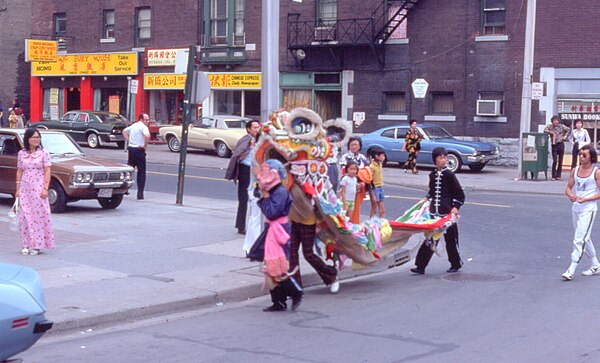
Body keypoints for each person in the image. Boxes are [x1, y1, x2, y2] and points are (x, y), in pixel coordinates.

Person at [252, 160, 303, 312]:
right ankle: (278, 301)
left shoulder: (280, 192)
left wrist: (265, 197)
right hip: (273, 230)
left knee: (277, 267)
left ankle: (295, 292)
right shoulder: (276, 192)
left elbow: (272, 212)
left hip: (278, 231)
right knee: (271, 267)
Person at [411, 147, 465, 275]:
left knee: (451, 240)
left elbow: (460, 194)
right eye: (441, 157)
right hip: (434, 213)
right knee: (430, 240)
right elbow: (432, 190)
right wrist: (427, 197)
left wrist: (455, 207)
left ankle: (456, 263)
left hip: (447, 214)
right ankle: (420, 266)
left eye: (445, 157)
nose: (444, 160)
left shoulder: (450, 175)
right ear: (435, 160)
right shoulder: (433, 175)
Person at [289, 180, 339, 294]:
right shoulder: (289, 175)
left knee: (308, 254)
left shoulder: (309, 175)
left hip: (308, 221)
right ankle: (296, 287)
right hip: (293, 219)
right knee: (291, 254)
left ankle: (331, 275)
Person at [561, 145, 600, 281]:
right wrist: (570, 195)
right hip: (576, 208)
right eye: (580, 154)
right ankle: (595, 264)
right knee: (584, 236)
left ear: (591, 157)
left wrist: (586, 199)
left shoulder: (596, 172)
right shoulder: (575, 170)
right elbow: (568, 187)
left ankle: (571, 268)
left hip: (588, 209)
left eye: (584, 155)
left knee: (579, 238)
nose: (581, 157)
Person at [15, 128, 55, 255]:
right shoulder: (22, 153)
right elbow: (19, 171)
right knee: (24, 217)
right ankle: (26, 244)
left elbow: (47, 171)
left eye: (38, 137)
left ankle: (37, 244)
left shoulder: (44, 153)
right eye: (34, 137)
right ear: (27, 139)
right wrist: (17, 189)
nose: (36, 139)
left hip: (38, 189)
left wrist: (45, 188)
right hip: (25, 190)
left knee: (38, 216)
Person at [225, 120, 261, 235]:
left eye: (258, 127)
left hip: (255, 171)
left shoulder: (260, 140)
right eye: (255, 127)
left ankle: (255, 225)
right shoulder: (245, 140)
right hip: (245, 170)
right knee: (243, 199)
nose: (257, 129)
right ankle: (241, 226)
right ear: (248, 129)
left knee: (256, 199)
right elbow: (237, 155)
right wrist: (250, 148)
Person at [339, 136, 375, 223]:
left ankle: (354, 227)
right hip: (348, 187)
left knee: (356, 209)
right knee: (345, 211)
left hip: (359, 188)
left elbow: (367, 171)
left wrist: (362, 182)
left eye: (356, 145)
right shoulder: (345, 157)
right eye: (352, 145)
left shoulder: (362, 158)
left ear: (360, 146)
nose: (354, 147)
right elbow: (344, 172)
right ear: (349, 146)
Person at [122, 113, 150, 200]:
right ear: (141, 119)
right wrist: (145, 146)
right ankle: (140, 193)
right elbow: (147, 136)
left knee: (130, 170)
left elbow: (124, 131)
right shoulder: (143, 127)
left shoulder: (134, 125)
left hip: (131, 150)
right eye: (146, 120)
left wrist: (129, 140)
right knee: (141, 172)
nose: (148, 121)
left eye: (148, 120)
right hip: (139, 150)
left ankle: (125, 189)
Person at [544, 115, 571, 181]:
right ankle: (553, 175)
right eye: (554, 120)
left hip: (561, 144)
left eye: (557, 120)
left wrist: (565, 136)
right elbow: (545, 130)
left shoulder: (561, 126)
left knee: (560, 161)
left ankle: (558, 176)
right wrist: (551, 132)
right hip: (554, 145)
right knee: (555, 160)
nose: (556, 122)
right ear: (552, 121)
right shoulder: (550, 126)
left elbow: (569, 130)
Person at [369, 147, 386, 218]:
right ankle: (370, 224)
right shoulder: (371, 166)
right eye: (382, 155)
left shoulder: (380, 164)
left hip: (381, 186)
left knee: (382, 210)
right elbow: (369, 179)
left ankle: (381, 224)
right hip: (375, 188)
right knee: (374, 208)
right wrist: (371, 191)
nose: (384, 157)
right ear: (376, 156)